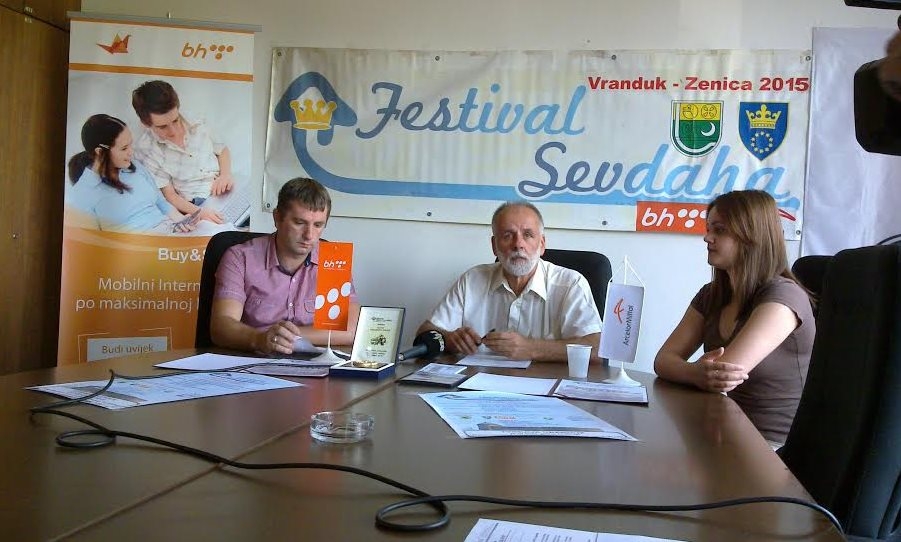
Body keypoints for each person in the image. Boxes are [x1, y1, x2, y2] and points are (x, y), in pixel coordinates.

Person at [653, 190, 815, 445]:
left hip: (775, 447)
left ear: (752, 235)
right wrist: (695, 373)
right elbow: (663, 360)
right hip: (726, 431)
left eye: (719, 230)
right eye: (708, 229)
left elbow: (722, 377)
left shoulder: (784, 297)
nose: (707, 238)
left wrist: (691, 372)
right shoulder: (711, 295)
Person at [417, 201, 602, 362]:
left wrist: (531, 348)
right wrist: (449, 338)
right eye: (507, 235)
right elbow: (426, 331)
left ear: (542, 244)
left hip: (546, 387)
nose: (518, 244)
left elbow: (597, 349)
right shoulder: (471, 280)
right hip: (478, 385)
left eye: (527, 235)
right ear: (494, 246)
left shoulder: (570, 284)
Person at [210, 177, 360, 354]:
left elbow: (350, 330)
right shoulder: (240, 257)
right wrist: (260, 339)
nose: (309, 235)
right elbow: (222, 326)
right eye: (299, 223)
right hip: (255, 359)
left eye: (318, 225)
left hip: (314, 363)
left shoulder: (332, 260)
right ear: (277, 218)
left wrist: (285, 337)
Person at [66, 114, 197, 234]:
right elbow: (95, 243)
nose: (131, 152)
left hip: (171, 233)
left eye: (130, 145)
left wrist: (181, 221)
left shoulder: (135, 167)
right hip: (139, 247)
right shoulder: (83, 193)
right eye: (124, 148)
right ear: (100, 152)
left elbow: (162, 203)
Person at [132, 80, 233, 224]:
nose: (173, 131)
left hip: (226, 187)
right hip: (198, 204)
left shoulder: (197, 120)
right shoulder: (146, 150)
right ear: (145, 123)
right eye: (163, 127)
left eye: (175, 120)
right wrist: (200, 213)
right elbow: (170, 196)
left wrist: (225, 175)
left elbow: (222, 150)